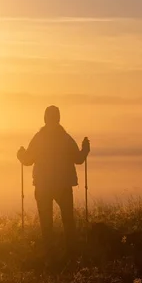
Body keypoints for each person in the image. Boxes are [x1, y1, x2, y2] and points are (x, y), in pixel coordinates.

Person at [17, 105, 90, 255]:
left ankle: (49, 254)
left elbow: (28, 160)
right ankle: (71, 252)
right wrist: (85, 149)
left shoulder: (38, 138)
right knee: (68, 220)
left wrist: (20, 155)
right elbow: (78, 159)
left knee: (46, 223)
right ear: (58, 118)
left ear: (45, 119)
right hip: (63, 185)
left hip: (43, 186)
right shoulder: (65, 138)